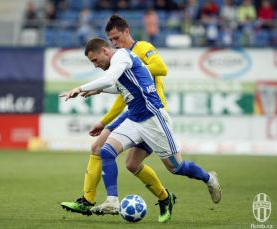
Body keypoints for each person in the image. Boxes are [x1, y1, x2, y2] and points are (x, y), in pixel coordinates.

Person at [61, 37, 221, 215]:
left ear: (105, 51)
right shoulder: (119, 62)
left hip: (153, 119)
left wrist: (80, 88)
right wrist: (98, 90)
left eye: (95, 60)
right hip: (135, 119)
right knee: (106, 151)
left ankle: (209, 178)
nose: (95, 65)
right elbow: (122, 86)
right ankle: (112, 201)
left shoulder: (121, 56)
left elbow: (109, 79)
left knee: (176, 167)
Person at [62, 15, 176, 223]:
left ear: (126, 31)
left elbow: (162, 69)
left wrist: (132, 69)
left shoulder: (139, 49)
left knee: (135, 165)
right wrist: (104, 121)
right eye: (110, 40)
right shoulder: (116, 59)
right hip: (132, 110)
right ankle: (89, 200)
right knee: (99, 148)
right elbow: (122, 95)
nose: (113, 42)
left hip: (152, 111)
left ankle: (165, 197)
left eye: (115, 38)